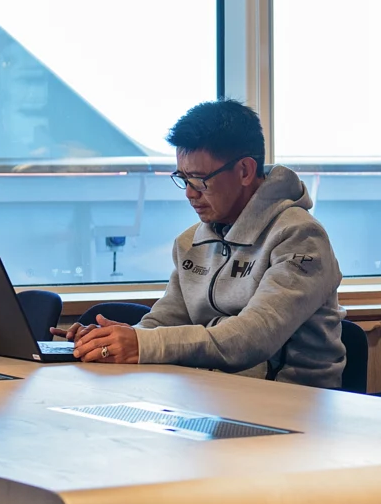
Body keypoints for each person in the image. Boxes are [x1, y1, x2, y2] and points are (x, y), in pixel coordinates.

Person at [70, 99, 346, 388]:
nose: (189, 193)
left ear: (244, 171)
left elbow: (253, 337)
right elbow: (164, 322)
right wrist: (111, 340)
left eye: (200, 180)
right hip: (211, 393)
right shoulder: (191, 241)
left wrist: (142, 343)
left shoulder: (300, 237)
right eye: (183, 178)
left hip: (293, 403)